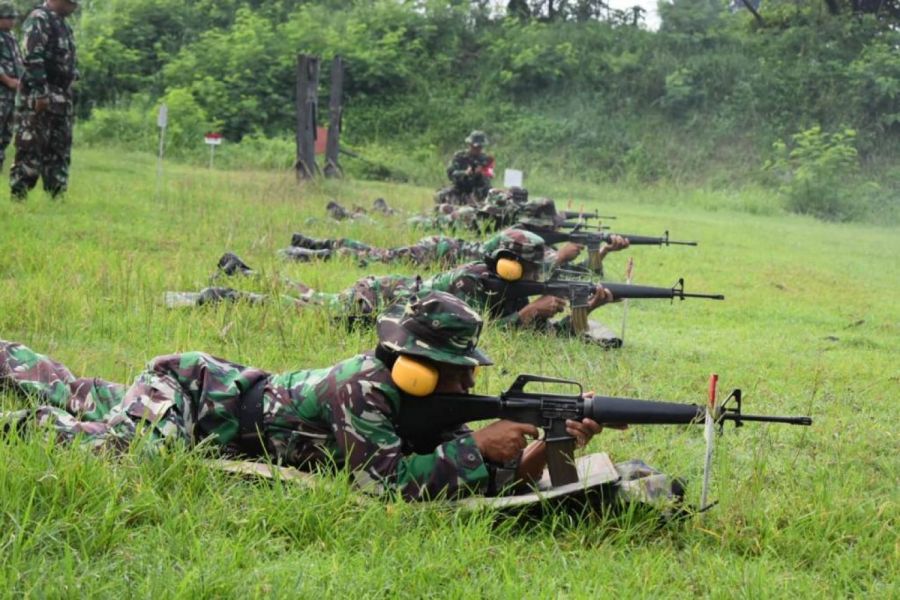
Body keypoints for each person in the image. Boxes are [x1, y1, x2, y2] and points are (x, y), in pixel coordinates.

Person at [0, 292, 605, 500]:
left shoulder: (424, 405)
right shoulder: (361, 387)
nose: (470, 382)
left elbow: (453, 475)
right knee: (134, 453)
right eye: (456, 369)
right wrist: (477, 447)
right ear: (418, 367)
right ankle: (24, 428)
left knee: (87, 393)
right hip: (194, 395)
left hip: (211, 406)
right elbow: (387, 484)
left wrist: (525, 461)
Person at [10, 0, 78, 201]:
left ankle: (57, 194)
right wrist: (41, 92)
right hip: (40, 95)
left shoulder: (63, 23)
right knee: (31, 145)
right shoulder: (39, 19)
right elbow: (32, 57)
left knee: (59, 148)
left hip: (61, 96)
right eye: (69, 3)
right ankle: (19, 194)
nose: (73, 7)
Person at [435, 130, 495, 206]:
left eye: (480, 147)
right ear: (469, 145)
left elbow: (489, 177)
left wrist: (480, 174)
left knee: (494, 196)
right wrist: (465, 173)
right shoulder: (460, 156)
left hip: (479, 191)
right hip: (461, 189)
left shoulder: (486, 159)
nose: (478, 149)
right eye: (475, 147)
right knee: (441, 195)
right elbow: (451, 174)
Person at [0, 2, 22, 171]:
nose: (13, 21)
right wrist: (7, 80)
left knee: (6, 133)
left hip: (11, 94)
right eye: (9, 17)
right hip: (2, 90)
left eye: (14, 17)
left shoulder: (11, 37)